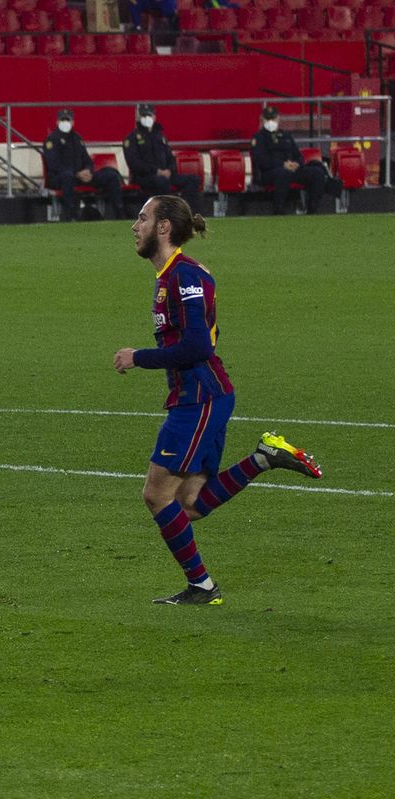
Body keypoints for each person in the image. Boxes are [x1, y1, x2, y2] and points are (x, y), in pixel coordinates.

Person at [112, 196, 323, 606]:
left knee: (157, 495)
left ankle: (203, 587)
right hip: (201, 395)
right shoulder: (171, 275)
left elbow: (196, 346)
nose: (134, 226)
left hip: (199, 398)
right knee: (188, 504)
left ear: (164, 228)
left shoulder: (186, 276)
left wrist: (138, 357)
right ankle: (263, 458)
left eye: (142, 218)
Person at [249, 105, 339, 216]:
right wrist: (282, 164)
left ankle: (312, 210)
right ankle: (279, 211)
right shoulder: (258, 138)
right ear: (263, 119)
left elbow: (298, 156)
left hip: (291, 169)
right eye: (268, 119)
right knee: (283, 173)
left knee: (317, 172)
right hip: (270, 172)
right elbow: (261, 160)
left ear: (278, 118)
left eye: (273, 118)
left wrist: (297, 163)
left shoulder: (286, 136)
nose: (270, 121)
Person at [43, 108, 124, 221]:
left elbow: (87, 160)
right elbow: (54, 165)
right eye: (63, 120)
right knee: (67, 177)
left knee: (111, 176)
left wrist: (87, 171)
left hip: (80, 176)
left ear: (73, 122)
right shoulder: (51, 140)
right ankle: (72, 216)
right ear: (57, 122)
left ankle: (120, 214)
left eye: (68, 120)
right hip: (60, 178)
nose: (65, 122)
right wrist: (77, 174)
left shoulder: (77, 138)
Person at [122, 103, 200, 206]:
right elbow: (134, 163)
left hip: (165, 174)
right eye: (144, 115)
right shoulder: (132, 138)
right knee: (161, 182)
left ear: (154, 116)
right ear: (138, 117)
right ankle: (166, 212)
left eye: (149, 115)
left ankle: (187, 212)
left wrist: (169, 170)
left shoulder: (160, 136)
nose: (147, 118)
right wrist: (156, 171)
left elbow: (170, 158)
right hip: (145, 177)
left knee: (193, 180)